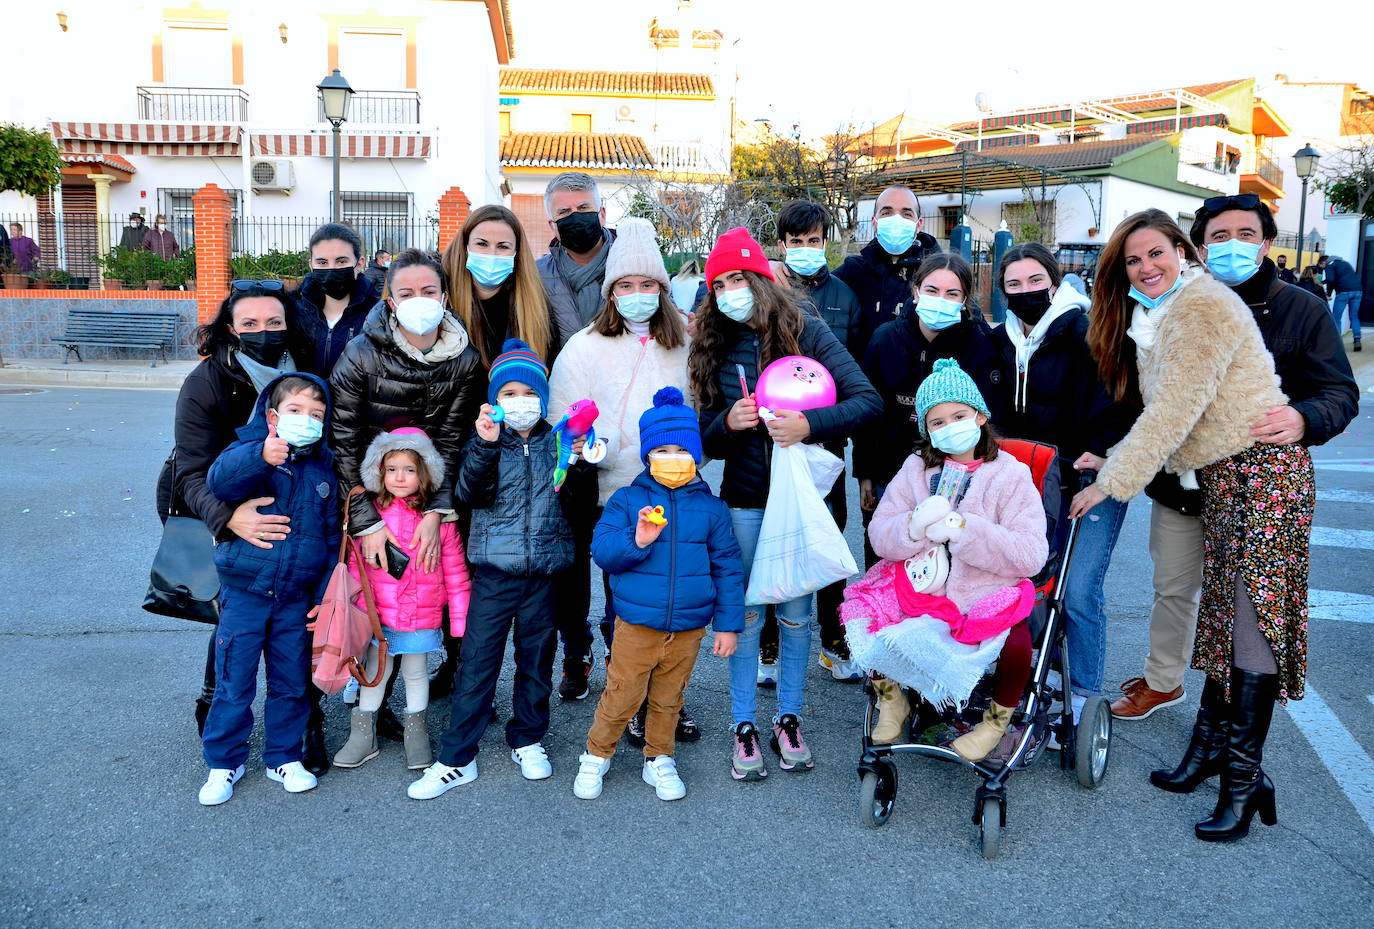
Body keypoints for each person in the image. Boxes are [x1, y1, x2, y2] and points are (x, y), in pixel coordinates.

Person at [1074, 209, 1314, 842]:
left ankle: (1245, 779)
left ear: (1183, 252)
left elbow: (1177, 408)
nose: (1146, 267)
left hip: (1263, 475)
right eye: (1132, 260)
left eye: (1157, 253)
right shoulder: (1162, 313)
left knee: (1251, 628)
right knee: (1220, 621)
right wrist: (1114, 454)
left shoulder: (1201, 307)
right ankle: (1210, 748)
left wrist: (1112, 480)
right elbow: (1176, 416)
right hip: (1224, 476)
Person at [1110, 195, 1357, 721]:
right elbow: (1147, 397)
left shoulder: (1302, 307)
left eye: (1246, 235)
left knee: (1242, 610)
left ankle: (1221, 725)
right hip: (1181, 484)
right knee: (1173, 587)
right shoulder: (1160, 307)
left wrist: (1305, 419)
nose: (1232, 246)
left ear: (1267, 243)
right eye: (1218, 237)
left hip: (1253, 480)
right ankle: (1163, 682)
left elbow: (1340, 392)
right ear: (1198, 248)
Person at [690, 226, 881, 780]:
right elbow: (699, 439)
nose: (730, 291)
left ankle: (790, 717)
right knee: (747, 613)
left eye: (739, 278)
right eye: (719, 283)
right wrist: (726, 424)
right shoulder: (712, 345)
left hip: (802, 502)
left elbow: (866, 401)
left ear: (762, 278)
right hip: (746, 500)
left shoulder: (808, 330)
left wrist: (809, 423)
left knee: (797, 615)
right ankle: (743, 723)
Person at [844, 359, 1047, 761]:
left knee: (1016, 642)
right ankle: (892, 698)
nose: (949, 426)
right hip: (923, 578)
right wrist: (913, 527)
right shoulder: (916, 469)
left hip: (984, 585)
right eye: (937, 422)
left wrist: (967, 530)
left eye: (958, 415)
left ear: (980, 416)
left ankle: (995, 722)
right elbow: (880, 533)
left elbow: (1031, 553)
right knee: (865, 613)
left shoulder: (1011, 475)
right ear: (926, 431)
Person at [408, 340, 580, 799]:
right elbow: (468, 496)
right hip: (493, 573)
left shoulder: (560, 440)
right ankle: (456, 757)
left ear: (543, 398)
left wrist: (579, 461)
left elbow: (578, 506)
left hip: (544, 571)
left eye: (529, 392)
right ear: (494, 400)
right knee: (477, 662)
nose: (519, 401)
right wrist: (484, 446)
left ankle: (528, 738)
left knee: (537, 661)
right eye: (509, 393)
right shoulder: (483, 441)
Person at [155, 282, 316, 757]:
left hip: (288, 507)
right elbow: (190, 470)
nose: (262, 332)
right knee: (232, 610)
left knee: (291, 615)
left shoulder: (304, 373)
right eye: (249, 324)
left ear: (289, 325)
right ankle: (215, 705)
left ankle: (300, 721)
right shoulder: (207, 381)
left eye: (273, 323)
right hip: (212, 504)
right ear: (231, 328)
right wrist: (229, 521)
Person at [546, 217, 691, 717]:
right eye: (625, 285)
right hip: (591, 486)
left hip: (652, 491)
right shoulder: (584, 345)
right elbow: (560, 413)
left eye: (646, 284)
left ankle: (627, 674)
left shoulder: (683, 345)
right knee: (573, 581)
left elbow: (695, 412)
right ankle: (577, 651)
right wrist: (580, 440)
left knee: (629, 591)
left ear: (662, 289)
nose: (636, 294)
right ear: (610, 293)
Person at [573, 387, 744, 801]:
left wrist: (728, 626)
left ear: (696, 455)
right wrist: (639, 539)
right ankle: (596, 755)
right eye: (662, 449)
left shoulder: (712, 509)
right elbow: (603, 553)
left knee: (669, 697)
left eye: (681, 449)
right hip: (636, 624)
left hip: (688, 626)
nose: (673, 458)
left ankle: (659, 758)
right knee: (622, 694)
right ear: (648, 455)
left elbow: (728, 567)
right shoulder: (627, 500)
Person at [991, 243, 1134, 719]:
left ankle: (1083, 696)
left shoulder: (1087, 330)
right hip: (1030, 477)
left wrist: (1106, 453)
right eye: (1014, 284)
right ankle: (1042, 673)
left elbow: (1121, 397)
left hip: (1088, 474)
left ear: (1054, 282)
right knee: (1033, 585)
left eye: (1035, 281)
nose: (1025, 291)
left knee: (1078, 590)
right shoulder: (1002, 340)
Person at [197, 373, 340, 805]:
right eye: (297, 411)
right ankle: (224, 763)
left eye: (317, 414)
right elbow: (220, 482)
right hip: (246, 593)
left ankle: (283, 756)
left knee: (291, 682)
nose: (308, 420)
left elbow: (332, 540)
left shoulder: (324, 470)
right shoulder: (249, 453)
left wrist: (321, 596)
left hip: (296, 599)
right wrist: (260, 455)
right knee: (233, 682)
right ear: (273, 416)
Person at [332, 427, 471, 772]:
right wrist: (360, 613)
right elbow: (356, 571)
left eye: (409, 469)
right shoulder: (371, 519)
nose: (399, 477)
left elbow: (456, 573)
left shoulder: (439, 523)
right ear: (379, 472)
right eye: (391, 469)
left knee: (415, 671)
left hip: (421, 616)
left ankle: (416, 732)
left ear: (424, 474)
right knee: (376, 671)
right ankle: (363, 734)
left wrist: (460, 621)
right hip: (379, 617)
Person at [855, 253, 1005, 568]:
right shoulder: (885, 339)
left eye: (952, 293)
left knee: (945, 565)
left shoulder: (980, 345)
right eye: (932, 290)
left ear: (964, 299)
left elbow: (988, 417)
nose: (941, 299)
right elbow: (868, 414)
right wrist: (864, 473)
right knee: (887, 559)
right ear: (916, 291)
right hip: (889, 472)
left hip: (956, 476)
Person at [774, 199, 866, 682]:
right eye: (796, 242)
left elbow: (853, 372)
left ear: (825, 242)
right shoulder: (767, 290)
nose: (806, 250)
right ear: (781, 244)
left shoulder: (845, 296)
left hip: (827, 435)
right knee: (775, 535)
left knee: (828, 534)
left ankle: (834, 638)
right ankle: (769, 643)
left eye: (814, 241)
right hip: (774, 437)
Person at [442, 204, 558, 368]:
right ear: (465, 246)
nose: (492, 254)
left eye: (503, 246)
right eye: (482, 244)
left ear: (517, 253)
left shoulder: (536, 308)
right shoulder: (442, 299)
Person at [833, 185, 941, 360]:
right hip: (862, 382)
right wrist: (775, 268)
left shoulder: (940, 274)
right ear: (874, 222)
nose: (896, 220)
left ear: (919, 224)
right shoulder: (853, 271)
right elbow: (815, 285)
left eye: (906, 214)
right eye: (887, 213)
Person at [537, 172, 617, 344]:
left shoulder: (633, 264)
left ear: (602, 214)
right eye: (564, 212)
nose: (575, 217)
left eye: (583, 208)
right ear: (553, 225)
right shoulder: (537, 276)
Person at [295, 223, 381, 377]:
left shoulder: (377, 316)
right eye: (322, 262)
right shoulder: (293, 311)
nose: (331, 268)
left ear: (359, 264)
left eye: (341, 261)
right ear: (311, 265)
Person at [1324, 253, 1362, 351]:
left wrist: (1328, 293)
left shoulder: (1330, 265)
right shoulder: (1346, 264)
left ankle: (1337, 343)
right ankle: (1357, 339)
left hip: (1343, 292)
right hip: (1357, 291)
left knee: (1337, 317)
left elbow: (1330, 280)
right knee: (1354, 316)